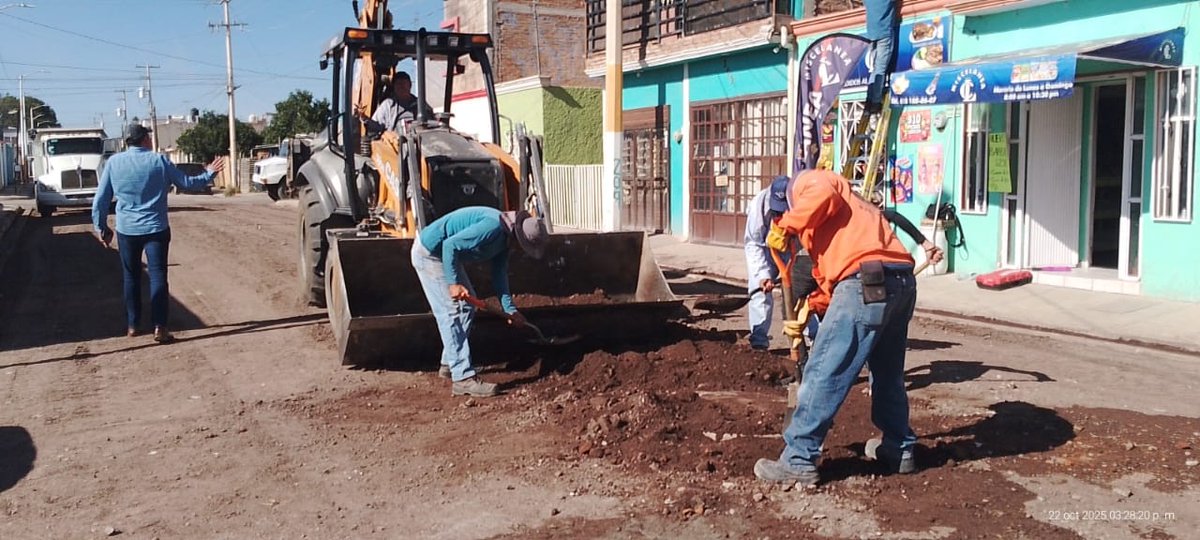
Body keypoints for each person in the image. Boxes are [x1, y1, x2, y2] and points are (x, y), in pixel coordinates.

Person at [755, 169, 920, 486]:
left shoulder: (809, 183)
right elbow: (835, 280)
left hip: (868, 280)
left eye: (782, 214)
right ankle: (899, 449)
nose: (782, 220)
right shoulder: (849, 213)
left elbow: (823, 194)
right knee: (887, 372)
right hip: (899, 281)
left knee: (824, 369)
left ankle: (798, 459)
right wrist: (811, 308)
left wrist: (788, 226)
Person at [91, 124, 226, 343]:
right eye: (149, 136)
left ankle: (133, 325)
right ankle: (160, 328)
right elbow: (187, 183)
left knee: (131, 277)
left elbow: (101, 199)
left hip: (127, 230)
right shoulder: (159, 161)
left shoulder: (113, 163)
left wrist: (101, 227)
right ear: (144, 139)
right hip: (156, 229)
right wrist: (209, 173)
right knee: (158, 277)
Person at [411, 206, 548, 397]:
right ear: (517, 235)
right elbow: (450, 245)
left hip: (446, 255)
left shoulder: (505, 240)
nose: (521, 250)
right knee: (451, 311)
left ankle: (450, 363)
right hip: (430, 253)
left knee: (467, 306)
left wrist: (509, 309)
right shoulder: (492, 227)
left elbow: (499, 275)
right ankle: (462, 378)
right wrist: (453, 284)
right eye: (524, 246)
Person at [744, 175, 816, 351]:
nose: (781, 215)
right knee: (760, 292)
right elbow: (753, 243)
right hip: (768, 250)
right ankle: (759, 342)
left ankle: (816, 339)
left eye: (784, 210)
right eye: (777, 211)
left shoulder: (802, 203)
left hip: (794, 248)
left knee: (802, 294)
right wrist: (762, 275)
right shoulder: (758, 206)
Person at [358, 71, 435, 133]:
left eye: (404, 84)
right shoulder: (387, 105)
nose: (402, 87)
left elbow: (432, 123)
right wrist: (364, 118)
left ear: (410, 85)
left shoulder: (421, 104)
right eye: (398, 84)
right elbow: (376, 126)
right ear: (394, 87)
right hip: (395, 144)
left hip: (419, 140)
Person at [864, 0, 899, 114]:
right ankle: (876, 102)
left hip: (871, 34)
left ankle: (869, 101)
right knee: (880, 69)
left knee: (874, 69)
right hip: (884, 33)